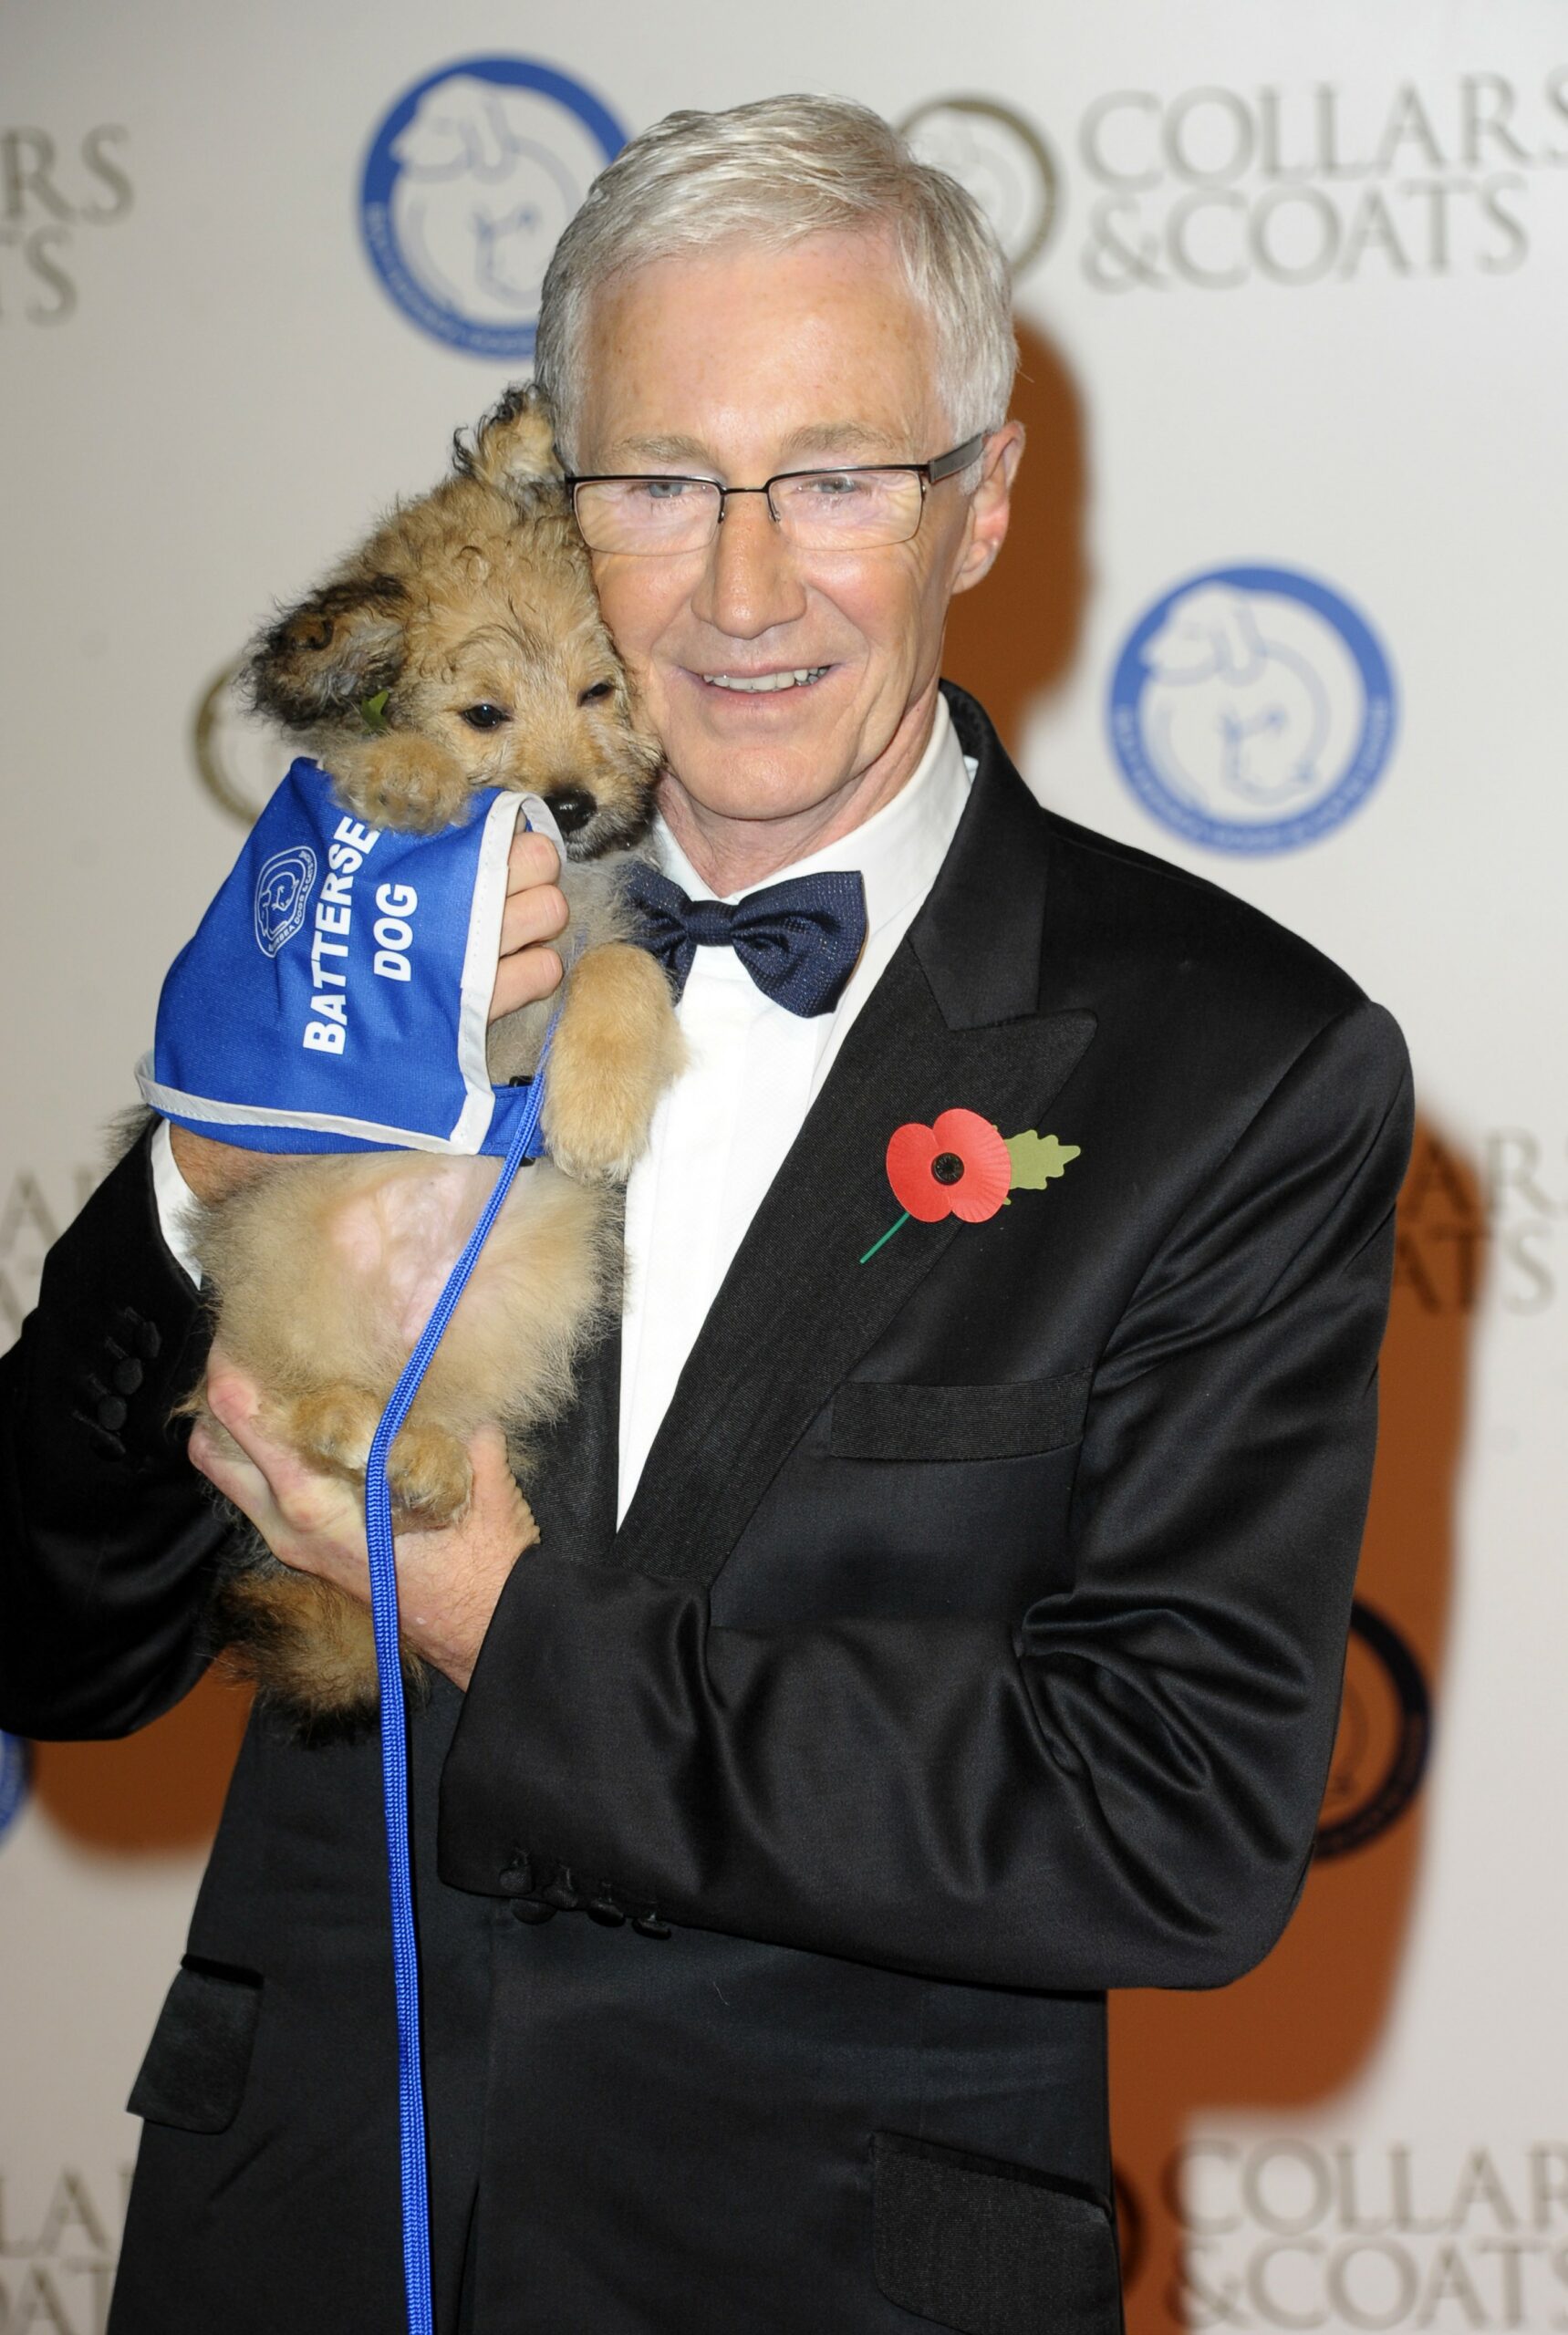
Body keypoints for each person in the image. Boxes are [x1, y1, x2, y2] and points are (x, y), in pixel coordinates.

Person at [0, 94, 1412, 2335]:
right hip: (285, 2249)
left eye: (837, 477)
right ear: (554, 501)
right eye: (656, 483)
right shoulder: (389, 915)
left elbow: (1169, 1811)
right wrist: (204, 1171)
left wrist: (510, 1631)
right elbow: (40, 1638)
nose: (742, 590)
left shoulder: (1233, 1065)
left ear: (982, 504)